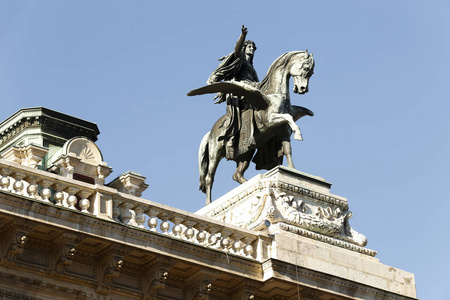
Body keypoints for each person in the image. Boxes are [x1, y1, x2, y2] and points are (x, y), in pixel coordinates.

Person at [207, 25, 259, 160]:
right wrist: (243, 36)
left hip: (251, 89)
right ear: (244, 48)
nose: (252, 49)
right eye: (249, 47)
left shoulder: (252, 69)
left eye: (253, 47)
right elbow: (236, 49)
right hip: (240, 91)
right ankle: (231, 138)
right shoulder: (239, 57)